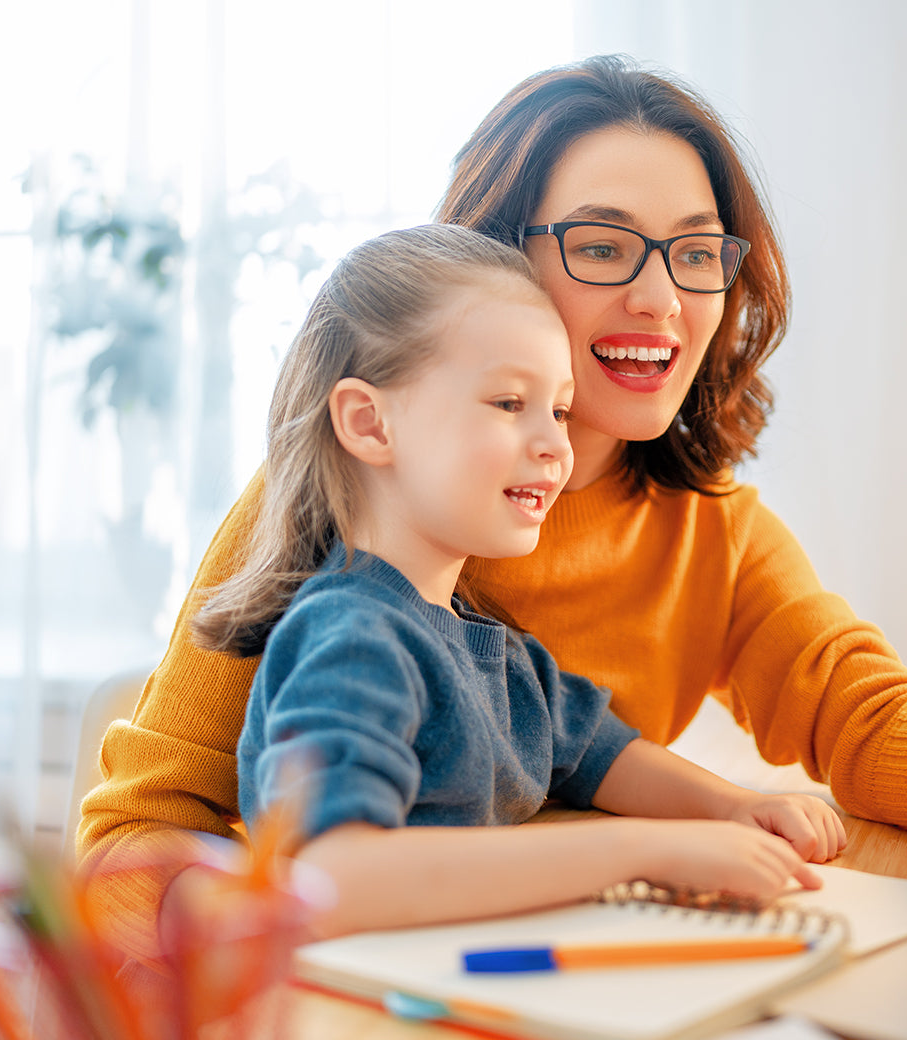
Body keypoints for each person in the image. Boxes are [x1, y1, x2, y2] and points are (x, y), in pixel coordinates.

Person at [79, 54, 907, 967]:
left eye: (698, 253)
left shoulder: (712, 531)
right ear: (494, 261)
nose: (661, 298)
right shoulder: (331, 512)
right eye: (603, 245)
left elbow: (875, 723)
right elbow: (134, 843)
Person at [202, 223, 842, 938]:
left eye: (560, 410)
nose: (556, 445)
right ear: (368, 423)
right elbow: (329, 880)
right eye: (510, 403)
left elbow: (600, 752)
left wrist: (730, 809)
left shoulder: (497, 657)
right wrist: (640, 850)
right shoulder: (352, 640)